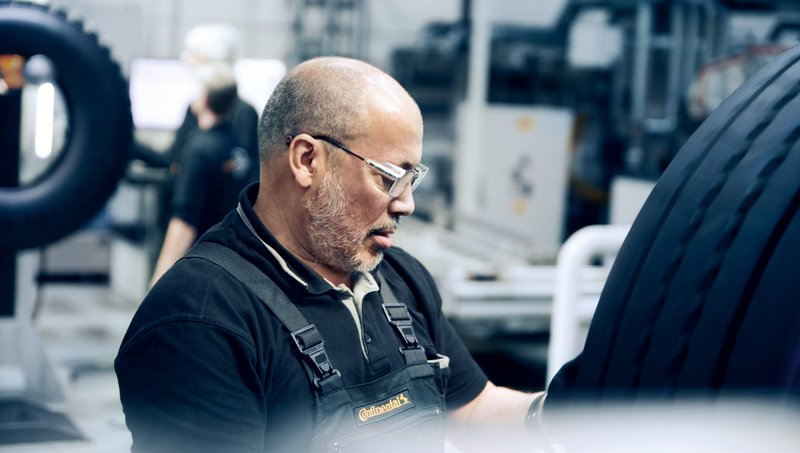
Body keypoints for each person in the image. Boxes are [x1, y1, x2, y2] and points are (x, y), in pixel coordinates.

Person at [115, 56, 544, 452]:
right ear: (307, 160)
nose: (406, 204)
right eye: (389, 178)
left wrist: (554, 406)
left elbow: (472, 410)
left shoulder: (400, 280)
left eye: (412, 178)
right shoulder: (200, 319)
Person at [149, 62, 253, 287]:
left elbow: (184, 222)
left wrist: (160, 276)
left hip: (193, 263)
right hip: (227, 262)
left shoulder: (198, 150)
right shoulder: (238, 149)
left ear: (205, 98)